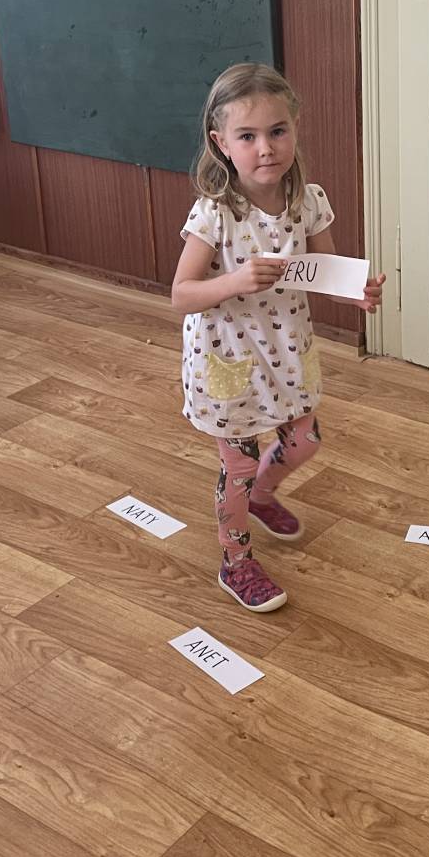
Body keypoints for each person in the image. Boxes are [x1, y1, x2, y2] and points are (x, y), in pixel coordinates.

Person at [172, 63, 384, 611]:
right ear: (222, 143)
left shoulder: (307, 201)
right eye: (247, 136)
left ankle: (264, 497)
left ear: (295, 128)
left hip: (288, 350)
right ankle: (235, 560)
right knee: (238, 467)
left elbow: (325, 270)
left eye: (277, 131)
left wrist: (356, 293)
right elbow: (181, 295)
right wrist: (235, 281)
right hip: (229, 358)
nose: (266, 148)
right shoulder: (214, 214)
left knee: (304, 441)